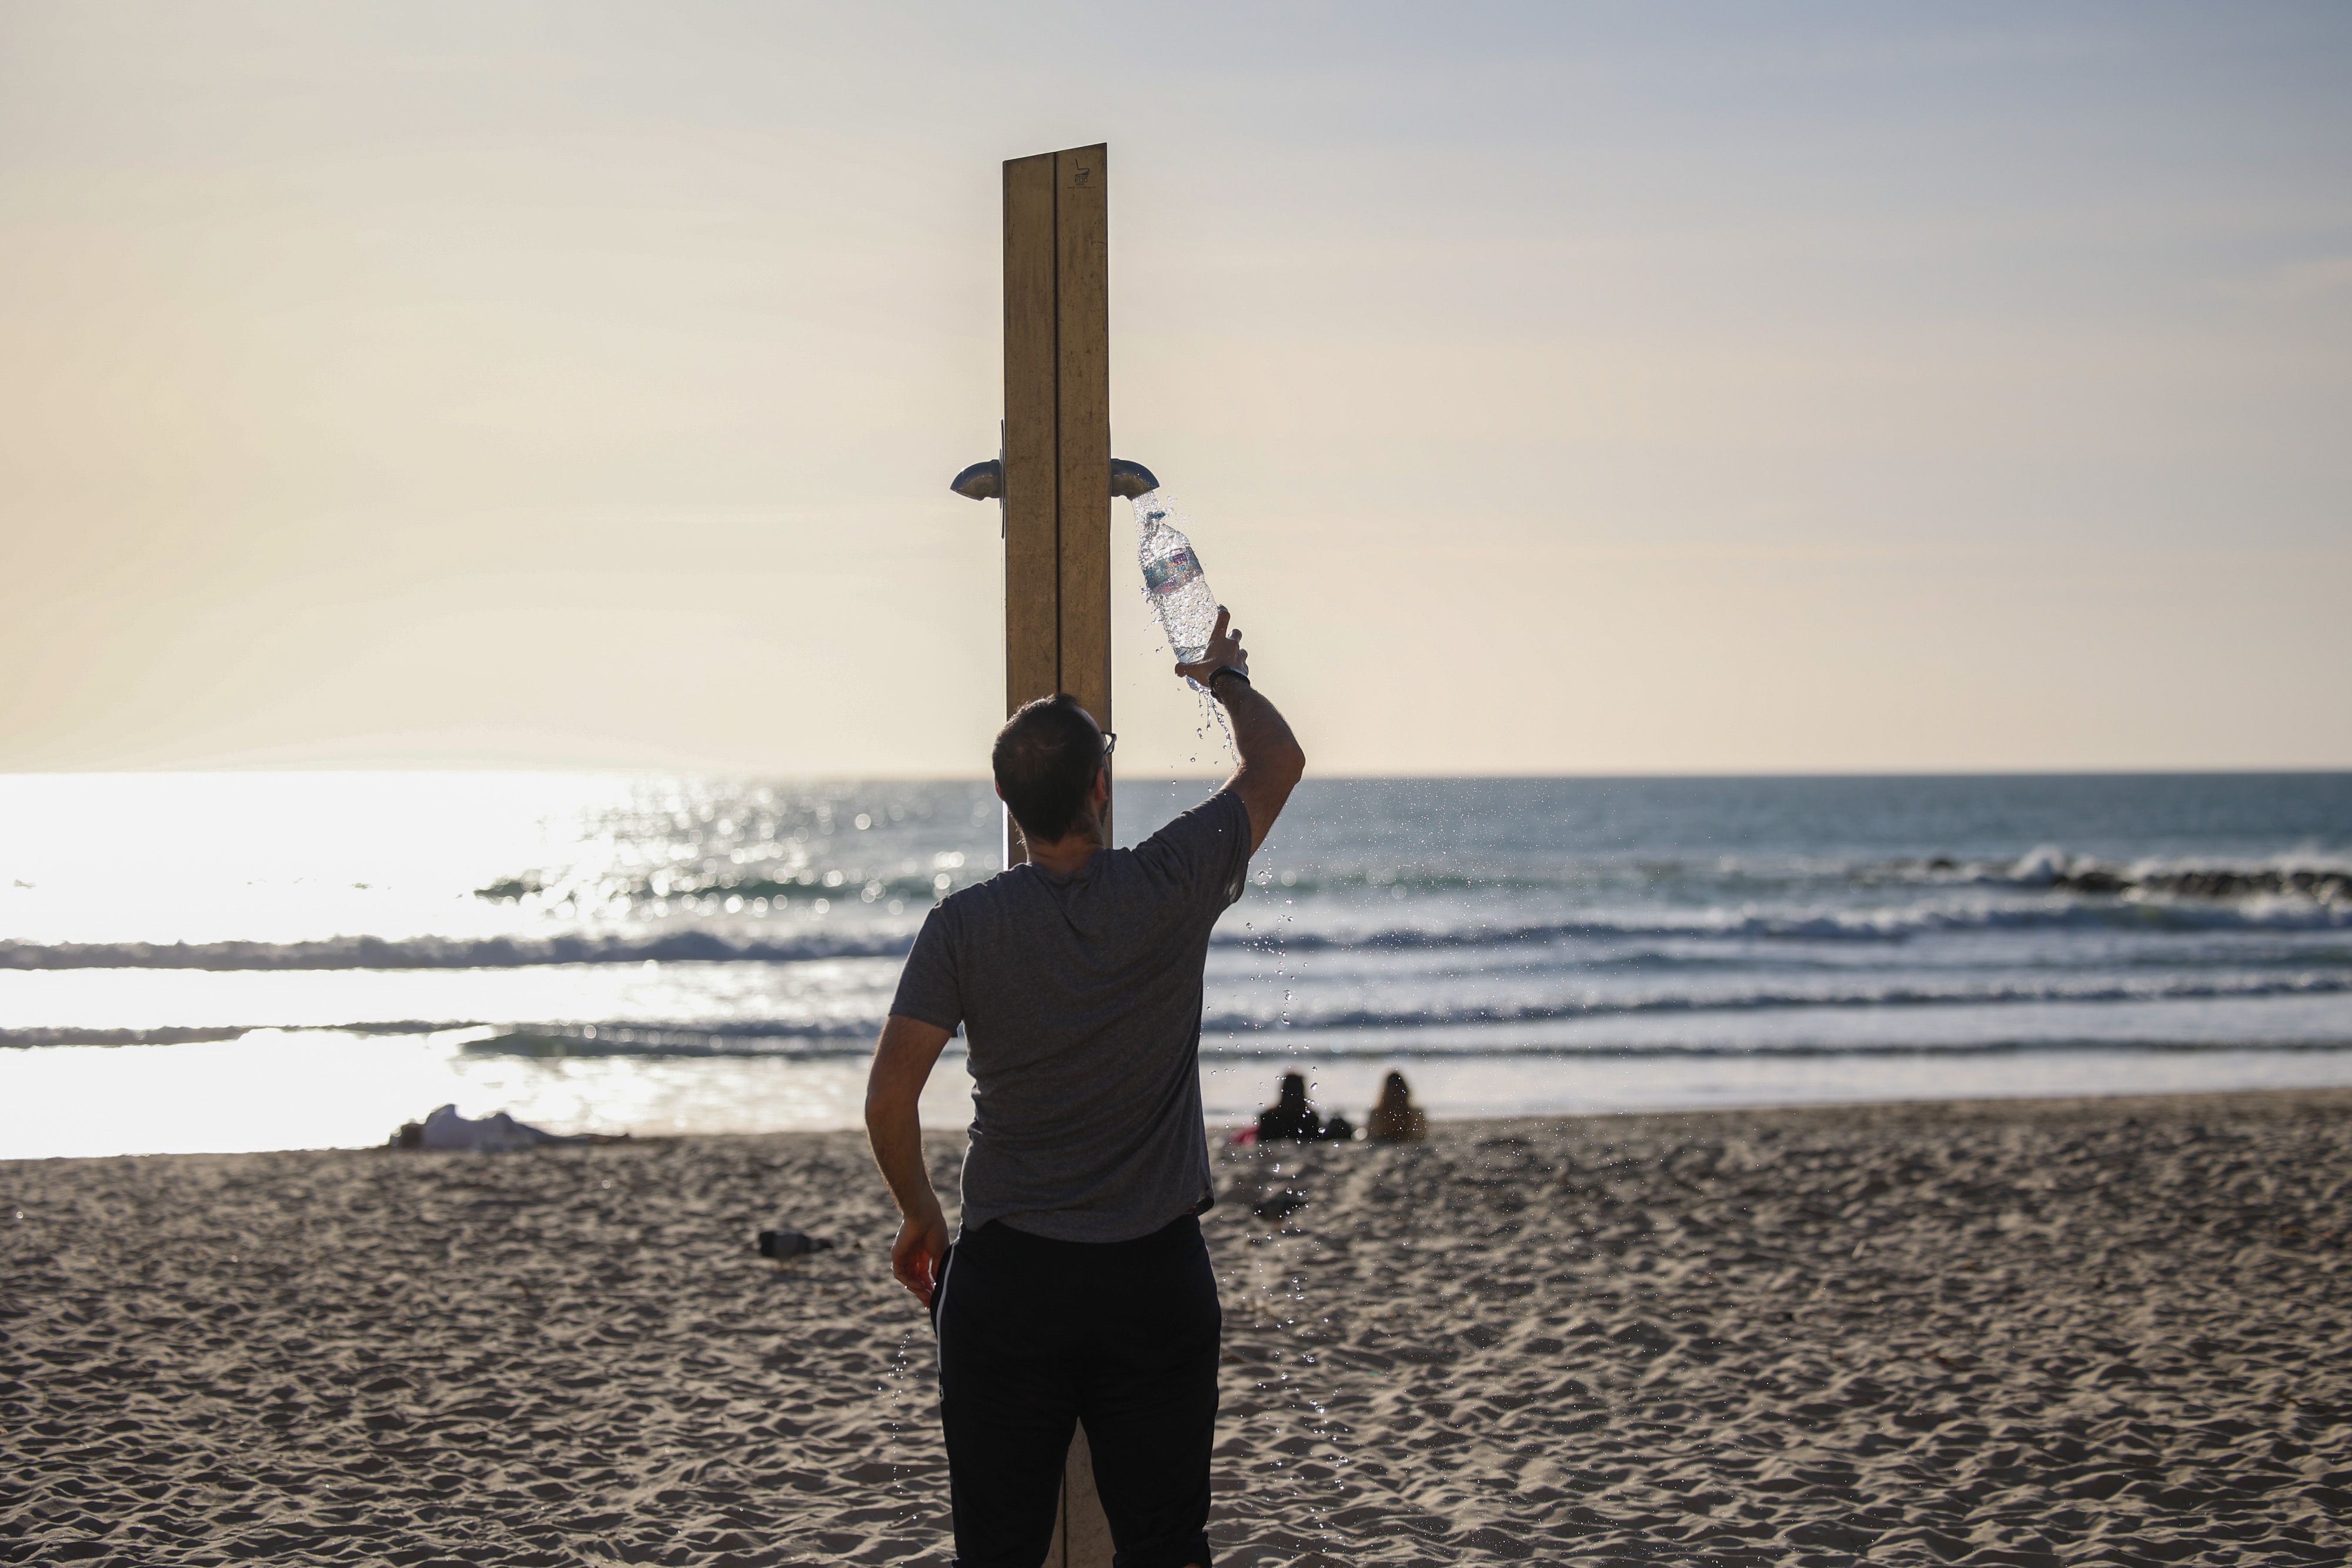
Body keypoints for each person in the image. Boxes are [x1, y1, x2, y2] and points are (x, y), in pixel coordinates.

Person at [864, 606, 1304, 1568]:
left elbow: (889, 1101)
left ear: (1002, 796)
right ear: (1101, 786)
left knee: (999, 1550)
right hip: (1152, 1277)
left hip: (1010, 1279)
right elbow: (1277, 765)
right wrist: (1222, 677)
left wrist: (921, 1217)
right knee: (1162, 1544)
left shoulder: (964, 926)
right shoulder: (1168, 882)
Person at [1254, 1071, 1352, 1143]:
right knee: (1338, 1123)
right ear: (1302, 1092)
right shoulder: (1309, 1119)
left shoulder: (1268, 1117)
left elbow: (1261, 1138)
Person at [1367, 1070, 1428, 1142]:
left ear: (1385, 1092)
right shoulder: (1416, 1113)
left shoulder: (1376, 1114)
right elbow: (1421, 1136)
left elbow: (1372, 1137)